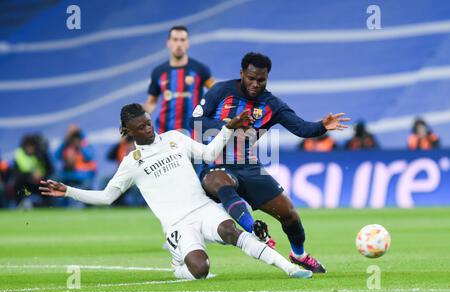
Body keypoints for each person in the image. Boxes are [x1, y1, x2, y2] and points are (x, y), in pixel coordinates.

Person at [39, 103, 313, 280]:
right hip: (177, 224)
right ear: (128, 131)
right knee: (200, 271)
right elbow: (107, 197)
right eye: (141, 127)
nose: (148, 129)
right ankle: (178, 264)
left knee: (233, 233)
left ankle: (289, 268)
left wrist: (229, 128)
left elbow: (208, 153)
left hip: (204, 208)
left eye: (148, 123)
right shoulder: (131, 163)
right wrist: (68, 192)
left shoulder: (174, 138)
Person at [190, 52, 350, 273]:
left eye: (261, 80)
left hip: (248, 166)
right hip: (213, 163)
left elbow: (301, 128)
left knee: (289, 214)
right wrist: (230, 124)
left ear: (267, 78)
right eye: (251, 78)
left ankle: (299, 255)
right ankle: (253, 229)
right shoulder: (221, 91)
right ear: (242, 74)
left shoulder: (271, 104)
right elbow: (195, 120)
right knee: (221, 182)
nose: (255, 84)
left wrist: (322, 125)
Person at [143, 25, 215, 134]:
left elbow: (217, 91)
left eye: (182, 40)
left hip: (194, 134)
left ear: (187, 43)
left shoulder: (200, 69)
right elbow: (151, 103)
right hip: (165, 134)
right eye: (175, 40)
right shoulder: (158, 72)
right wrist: (138, 114)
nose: (179, 44)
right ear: (168, 43)